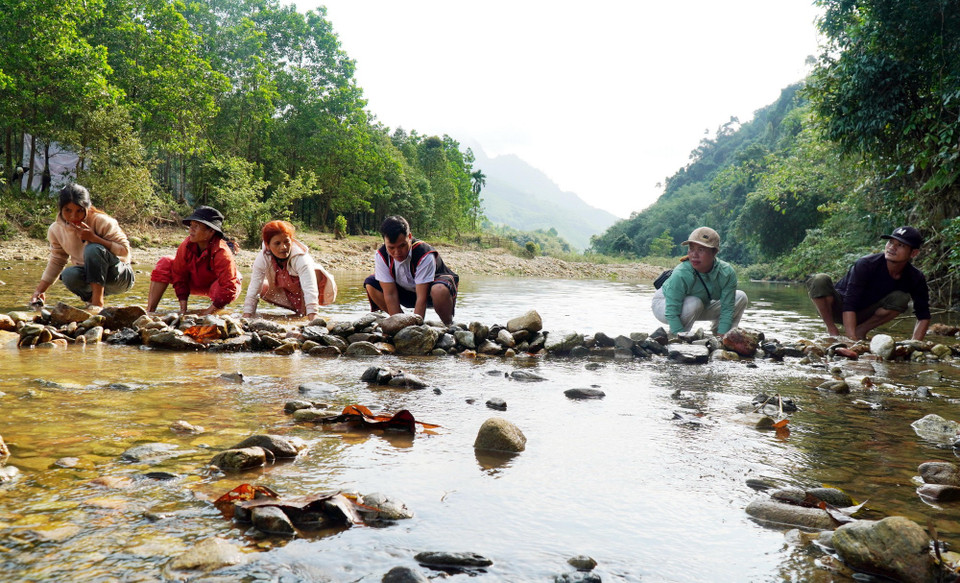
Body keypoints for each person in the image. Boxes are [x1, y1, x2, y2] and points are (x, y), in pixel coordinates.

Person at [808, 226, 930, 341]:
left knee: (901, 298)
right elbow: (849, 304)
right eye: (891, 242)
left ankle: (861, 331)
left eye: (900, 245)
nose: (892, 247)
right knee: (820, 279)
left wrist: (914, 344)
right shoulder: (866, 264)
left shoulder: (915, 277)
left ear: (913, 253)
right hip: (838, 308)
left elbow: (923, 315)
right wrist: (852, 341)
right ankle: (832, 331)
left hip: (866, 314)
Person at [29, 184, 134, 310]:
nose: (73, 216)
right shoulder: (56, 229)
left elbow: (124, 250)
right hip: (91, 276)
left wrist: (94, 238)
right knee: (68, 275)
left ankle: (97, 303)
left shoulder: (101, 221)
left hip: (119, 276)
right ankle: (92, 299)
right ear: (60, 209)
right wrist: (39, 291)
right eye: (68, 210)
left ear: (87, 208)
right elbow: (57, 261)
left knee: (93, 249)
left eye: (79, 210)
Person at [651, 226, 748, 335]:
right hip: (664, 304)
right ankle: (682, 335)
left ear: (714, 252)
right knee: (695, 303)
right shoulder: (681, 273)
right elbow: (671, 312)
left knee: (740, 297)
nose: (694, 255)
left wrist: (722, 339)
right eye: (691, 249)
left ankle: (724, 335)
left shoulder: (726, 273)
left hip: (702, 303)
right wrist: (678, 339)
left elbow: (727, 309)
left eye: (701, 250)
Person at [146, 205, 241, 316]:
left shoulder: (222, 252)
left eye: (196, 226)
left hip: (216, 287)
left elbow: (228, 288)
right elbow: (179, 276)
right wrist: (183, 311)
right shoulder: (185, 245)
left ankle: (215, 312)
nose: (191, 229)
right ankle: (149, 312)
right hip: (193, 282)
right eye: (191, 225)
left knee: (234, 279)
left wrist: (206, 314)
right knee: (165, 261)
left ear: (211, 231)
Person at [364, 215, 459, 325]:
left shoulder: (424, 253)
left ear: (409, 236)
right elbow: (390, 294)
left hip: (431, 293)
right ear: (384, 242)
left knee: (439, 290)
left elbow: (421, 298)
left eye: (402, 245)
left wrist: (415, 328)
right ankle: (402, 321)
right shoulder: (381, 255)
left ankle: (449, 325)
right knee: (371, 284)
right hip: (405, 292)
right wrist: (400, 327)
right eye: (391, 247)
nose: (397, 252)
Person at [242, 220, 337, 321]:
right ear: (268, 245)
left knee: (315, 272)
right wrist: (246, 317)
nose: (283, 247)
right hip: (288, 294)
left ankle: (306, 314)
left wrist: (313, 320)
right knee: (262, 288)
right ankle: (299, 315)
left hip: (310, 291)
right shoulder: (262, 258)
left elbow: (310, 288)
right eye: (277, 243)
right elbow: (254, 288)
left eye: (286, 241)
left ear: (291, 240)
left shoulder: (301, 258)